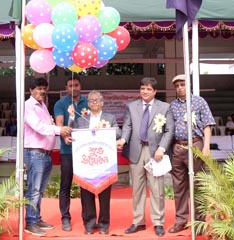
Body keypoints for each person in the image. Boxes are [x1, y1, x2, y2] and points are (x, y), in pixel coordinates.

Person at [116, 77, 174, 237]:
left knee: (157, 189)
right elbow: (127, 126)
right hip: (136, 150)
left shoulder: (164, 107)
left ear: (155, 91)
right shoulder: (131, 106)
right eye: (142, 88)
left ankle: (158, 222)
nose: (145, 91)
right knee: (137, 189)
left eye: (149, 89)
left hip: (155, 152)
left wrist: (162, 148)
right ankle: (138, 221)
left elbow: (169, 130)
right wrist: (123, 139)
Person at [66, 90, 121, 235]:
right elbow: (72, 131)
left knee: (104, 196)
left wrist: (104, 129)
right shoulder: (82, 119)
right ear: (88, 103)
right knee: (86, 195)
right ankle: (89, 224)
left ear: (102, 102)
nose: (94, 102)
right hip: (87, 165)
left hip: (104, 164)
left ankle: (103, 225)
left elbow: (119, 133)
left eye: (96, 100)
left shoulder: (110, 117)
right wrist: (71, 116)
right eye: (91, 100)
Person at [24, 77, 72, 236]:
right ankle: (30, 222)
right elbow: (39, 127)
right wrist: (59, 130)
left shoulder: (43, 105)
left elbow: (49, 125)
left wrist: (57, 129)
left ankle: (36, 218)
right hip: (35, 152)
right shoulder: (28, 106)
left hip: (45, 153)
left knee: (40, 189)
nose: (42, 91)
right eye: (38, 88)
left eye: (44, 88)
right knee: (34, 189)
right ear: (31, 90)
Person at [168, 74, 215, 234]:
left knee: (198, 185)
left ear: (189, 85)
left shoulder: (199, 101)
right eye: (177, 85)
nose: (180, 87)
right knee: (178, 186)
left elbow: (208, 124)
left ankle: (199, 222)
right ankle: (181, 220)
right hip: (178, 147)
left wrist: (206, 146)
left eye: (182, 84)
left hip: (195, 144)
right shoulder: (172, 105)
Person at [54, 74, 88, 231]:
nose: (73, 88)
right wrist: (65, 134)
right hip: (67, 150)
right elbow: (60, 124)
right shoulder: (60, 104)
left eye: (76, 85)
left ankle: (87, 217)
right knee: (65, 184)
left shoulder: (87, 102)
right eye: (70, 85)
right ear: (66, 88)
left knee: (86, 185)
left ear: (80, 86)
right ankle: (65, 218)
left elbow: (94, 122)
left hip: (86, 150)